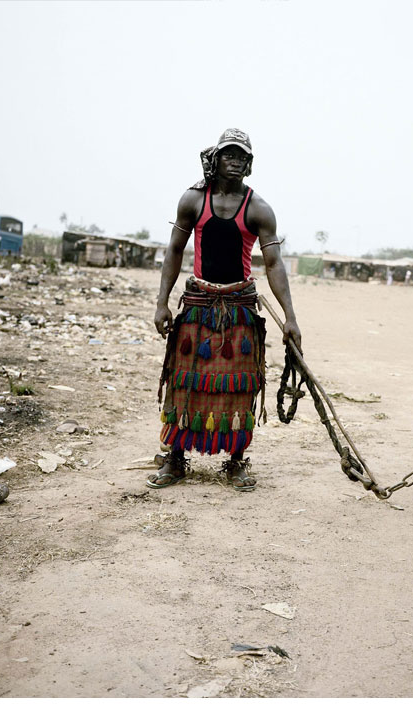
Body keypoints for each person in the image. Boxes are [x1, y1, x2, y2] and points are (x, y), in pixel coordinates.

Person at [148, 128, 301, 494]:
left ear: (249, 165)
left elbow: (274, 264)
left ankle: (234, 462)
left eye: (242, 157)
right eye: (228, 154)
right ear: (214, 160)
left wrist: (291, 318)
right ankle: (176, 458)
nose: (235, 161)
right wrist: (161, 302)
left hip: (239, 310)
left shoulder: (259, 209)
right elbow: (173, 251)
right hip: (198, 306)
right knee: (186, 383)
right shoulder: (191, 201)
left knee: (239, 388)